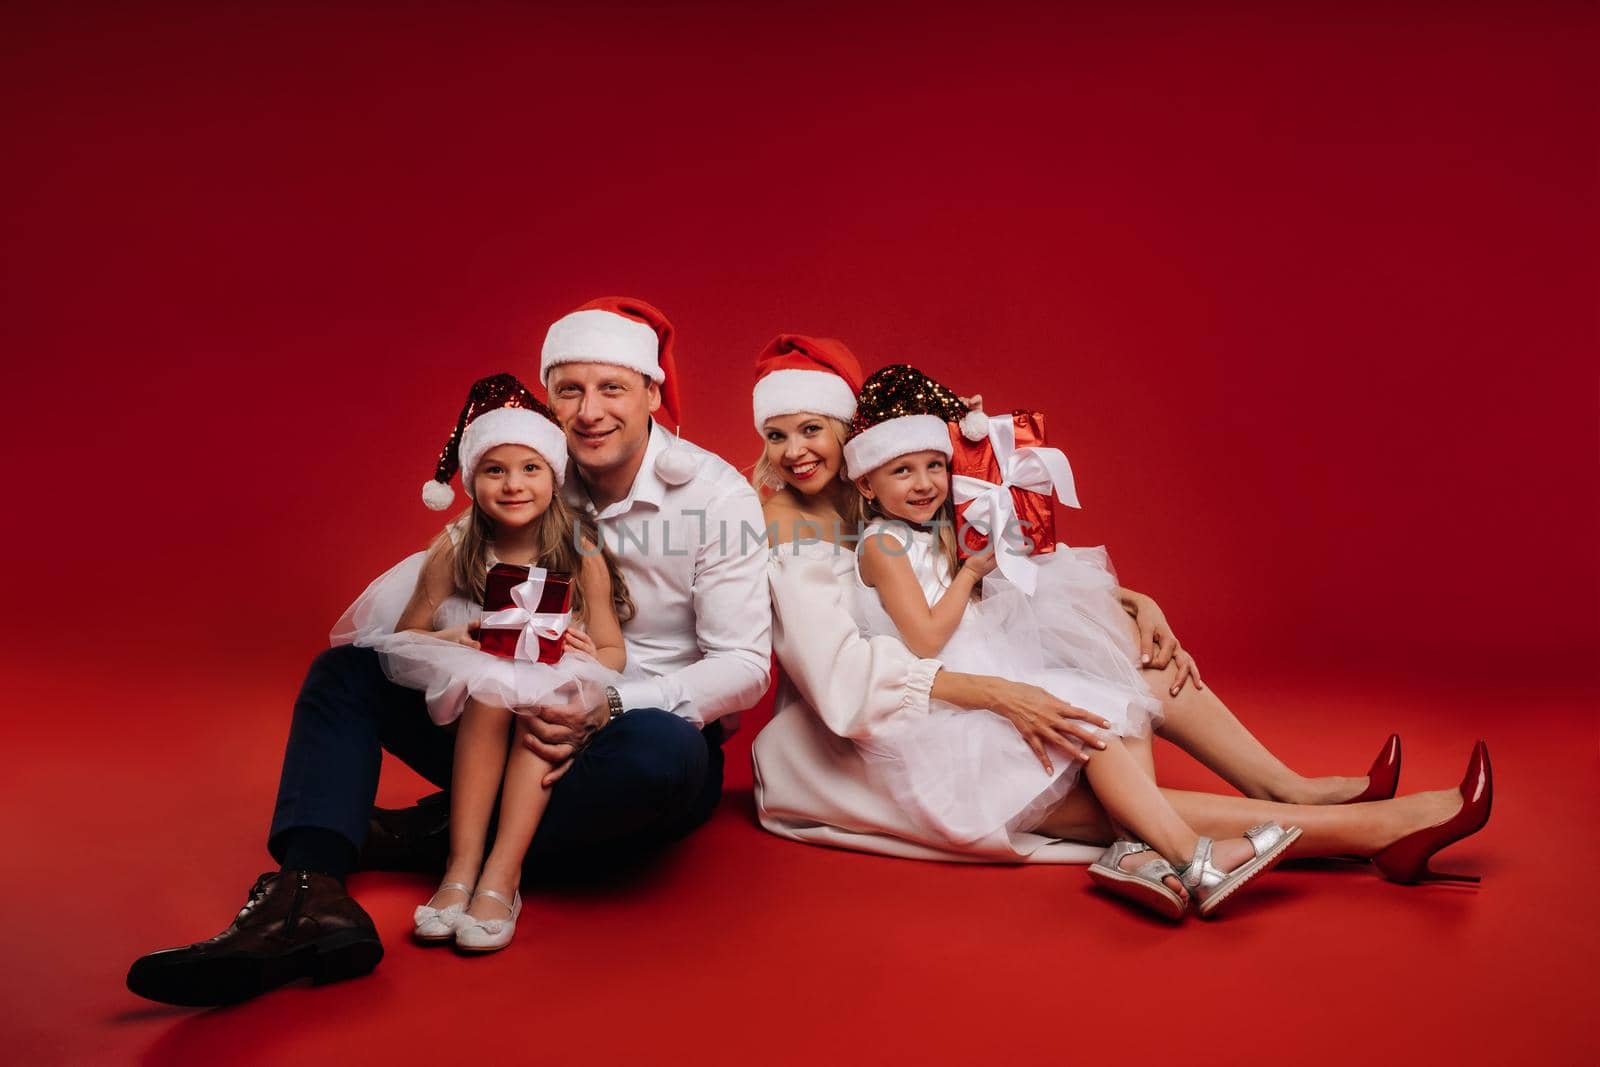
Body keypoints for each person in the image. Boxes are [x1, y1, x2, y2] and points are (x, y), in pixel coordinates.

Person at [127, 297, 772, 1004]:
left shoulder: (716, 496)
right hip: (495, 713)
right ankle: (306, 890)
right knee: (344, 672)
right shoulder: (524, 469)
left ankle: (437, 836)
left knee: (664, 756)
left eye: (612, 387)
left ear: (652, 391)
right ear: (547, 399)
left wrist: (608, 701)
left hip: (626, 735)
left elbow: (744, 665)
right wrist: (457, 637)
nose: (590, 411)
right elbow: (441, 595)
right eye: (569, 389)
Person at [747, 336, 1492, 911]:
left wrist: (1133, 601)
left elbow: (1002, 559)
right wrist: (1006, 695)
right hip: (878, 740)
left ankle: (1286, 790)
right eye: (777, 436)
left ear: (853, 438)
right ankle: (1373, 832)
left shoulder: (872, 497)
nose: (796, 452)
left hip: (953, 678)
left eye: (814, 429)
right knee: (1089, 747)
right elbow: (850, 682)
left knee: (1117, 652)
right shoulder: (794, 533)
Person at [336, 373, 628, 951]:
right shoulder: (457, 544)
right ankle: (460, 867)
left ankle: (502, 874)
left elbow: (614, 651)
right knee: (494, 684)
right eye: (495, 470)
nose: (513, 484)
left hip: (552, 690)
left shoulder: (580, 547)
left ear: (554, 476)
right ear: (471, 481)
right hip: (475, 689)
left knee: (535, 700)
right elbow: (408, 632)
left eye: (530, 468)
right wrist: (456, 635)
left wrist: (593, 654)